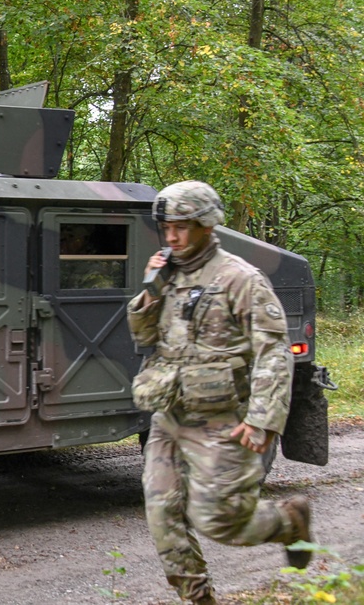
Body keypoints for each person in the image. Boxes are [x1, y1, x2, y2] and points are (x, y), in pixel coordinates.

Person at [127, 180, 311, 605]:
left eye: (182, 227)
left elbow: (274, 352)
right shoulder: (168, 274)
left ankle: (289, 521)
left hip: (222, 420)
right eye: (166, 227)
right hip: (169, 415)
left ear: (207, 225)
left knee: (219, 522)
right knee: (162, 516)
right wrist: (151, 287)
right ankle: (200, 598)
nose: (171, 236)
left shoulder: (240, 278)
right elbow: (143, 334)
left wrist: (263, 419)